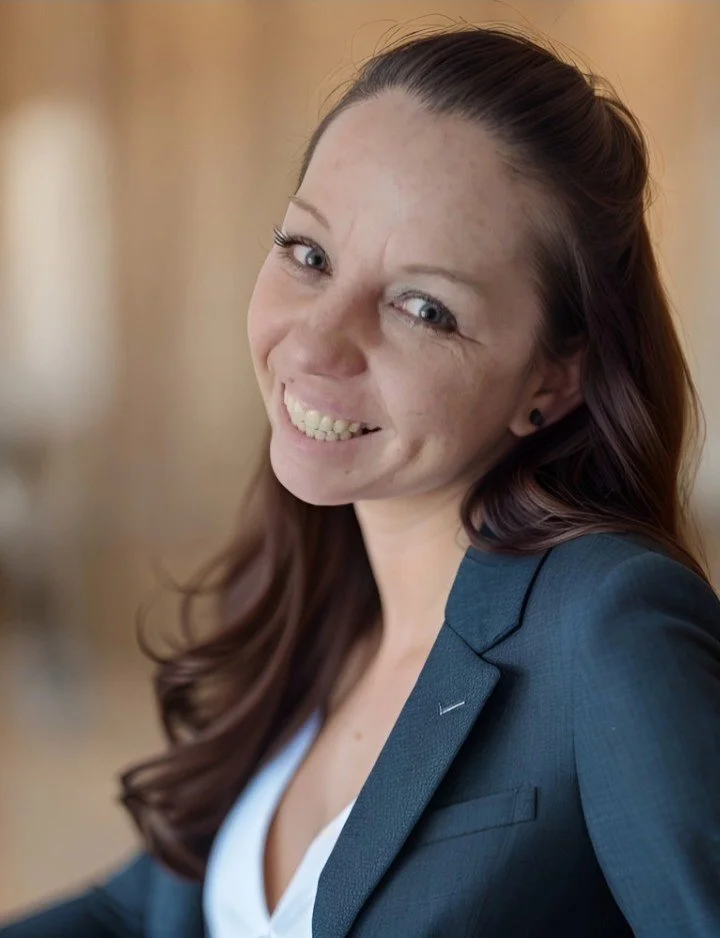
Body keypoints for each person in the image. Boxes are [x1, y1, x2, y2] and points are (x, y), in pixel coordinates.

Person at [2, 22, 719, 938]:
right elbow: (140, 912)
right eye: (309, 254)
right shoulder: (324, 598)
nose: (314, 338)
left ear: (553, 378)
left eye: (424, 308)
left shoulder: (608, 627)